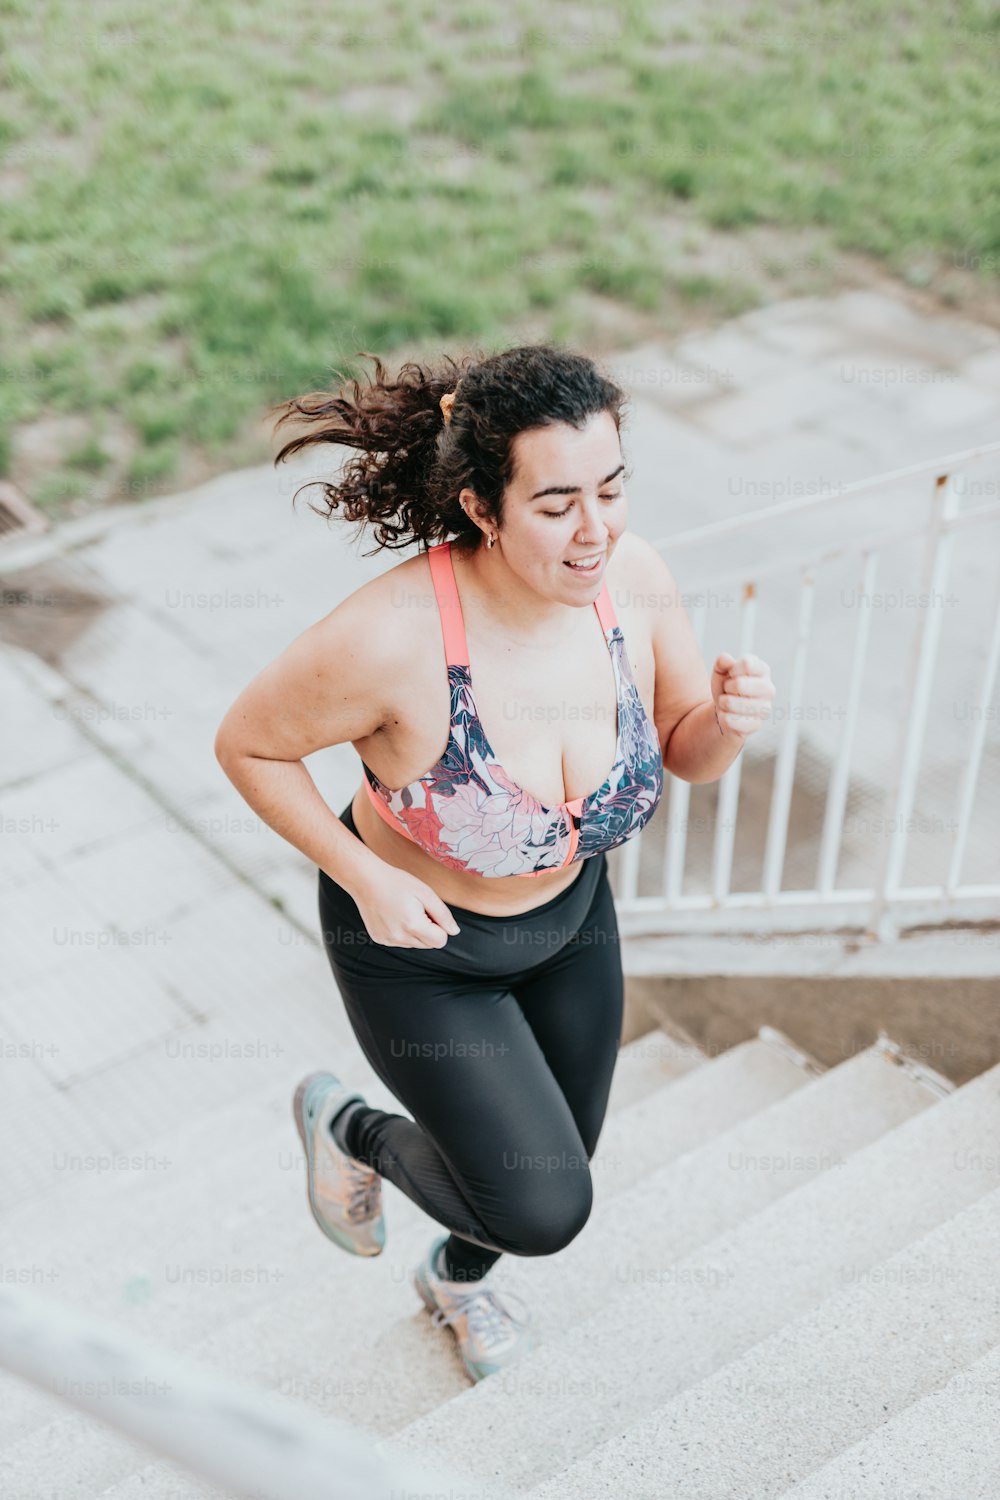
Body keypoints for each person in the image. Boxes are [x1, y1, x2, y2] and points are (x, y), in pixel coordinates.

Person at [214, 342, 774, 1384]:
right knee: (545, 1205)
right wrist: (366, 875)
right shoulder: (388, 640)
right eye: (556, 503)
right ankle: (350, 1127)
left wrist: (728, 724)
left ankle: (458, 1280)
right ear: (482, 508)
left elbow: (686, 746)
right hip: (419, 957)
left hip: (570, 924)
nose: (596, 530)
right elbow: (247, 745)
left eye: (610, 488)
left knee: (555, 1160)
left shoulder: (631, 582)